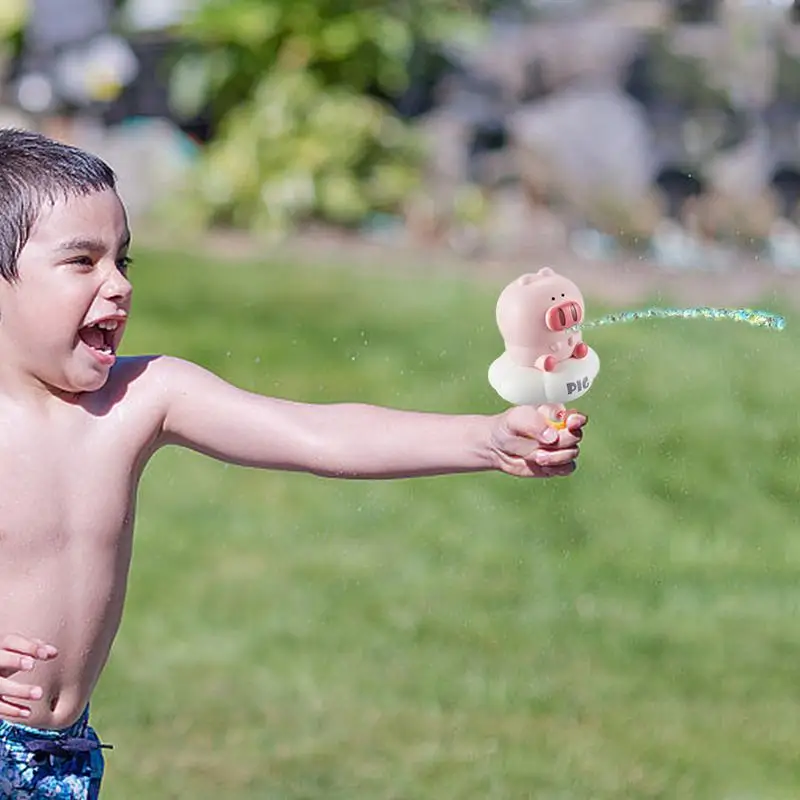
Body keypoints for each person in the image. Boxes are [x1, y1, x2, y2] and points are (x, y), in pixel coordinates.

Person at [0, 128, 588, 799]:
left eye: (123, 262)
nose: (117, 285)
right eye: (83, 262)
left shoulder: (142, 397)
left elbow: (320, 435)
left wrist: (485, 440)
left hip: (65, 757)